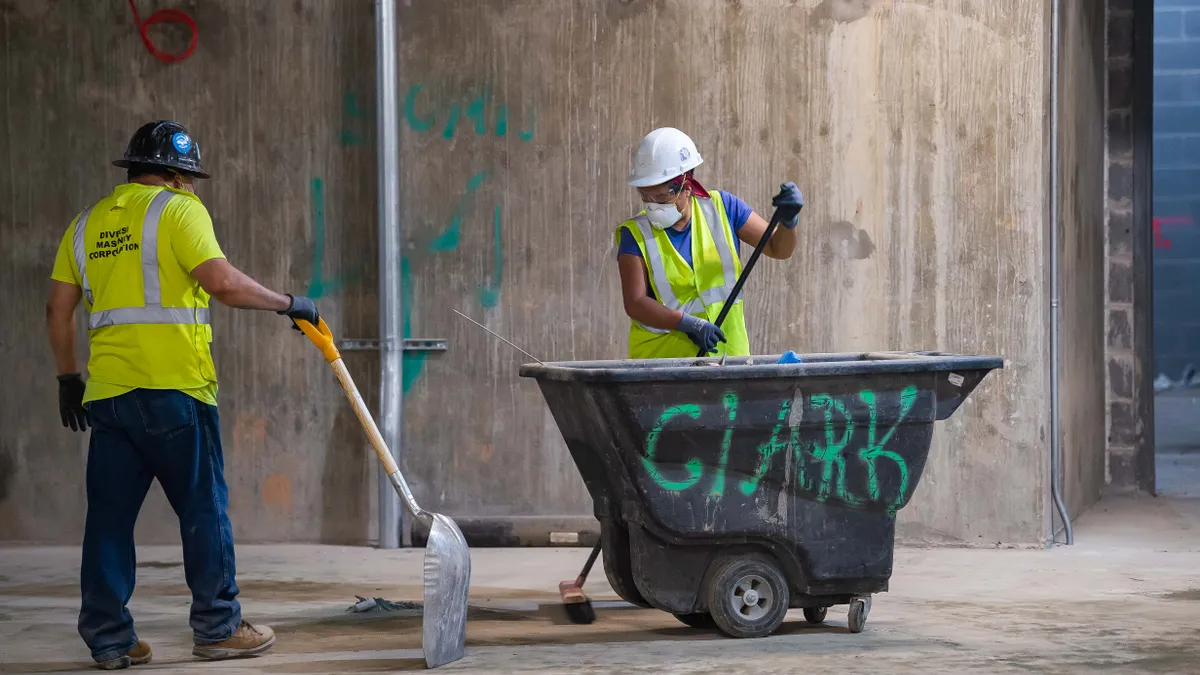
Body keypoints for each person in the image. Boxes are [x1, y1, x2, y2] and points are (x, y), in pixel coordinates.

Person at [45, 120, 321, 670]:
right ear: (173, 175)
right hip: (176, 392)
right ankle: (218, 628)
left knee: (108, 518)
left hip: (109, 397)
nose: (192, 187)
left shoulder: (86, 224)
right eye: (188, 178)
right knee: (203, 510)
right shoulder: (177, 211)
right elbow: (222, 283)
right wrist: (288, 303)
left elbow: (58, 309)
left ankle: (109, 639)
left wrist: (67, 378)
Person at [616, 127, 805, 358]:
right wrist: (689, 324)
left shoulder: (723, 208)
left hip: (727, 360)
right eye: (646, 197)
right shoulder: (635, 234)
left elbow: (779, 248)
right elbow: (635, 302)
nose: (653, 205)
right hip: (663, 366)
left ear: (687, 187)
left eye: (661, 198)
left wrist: (788, 221)